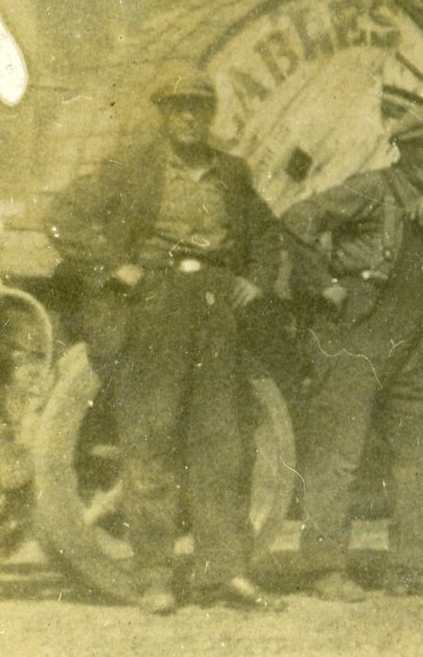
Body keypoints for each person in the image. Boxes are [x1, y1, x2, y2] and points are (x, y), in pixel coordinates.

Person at [44, 70, 286, 615]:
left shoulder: (231, 172)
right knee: (151, 441)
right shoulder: (134, 168)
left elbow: (267, 233)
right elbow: (63, 217)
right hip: (155, 306)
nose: (189, 119)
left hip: (216, 307)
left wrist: (258, 279)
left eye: (199, 109)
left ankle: (224, 572)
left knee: (220, 443)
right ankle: (154, 577)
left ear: (210, 116)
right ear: (163, 115)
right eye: (178, 109)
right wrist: (115, 270)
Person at [282, 100, 423, 602]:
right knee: (338, 457)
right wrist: (322, 283)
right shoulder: (371, 190)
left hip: (409, 352)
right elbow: (298, 219)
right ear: (402, 151)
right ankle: (325, 569)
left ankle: (412, 569)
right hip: (354, 342)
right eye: (422, 149)